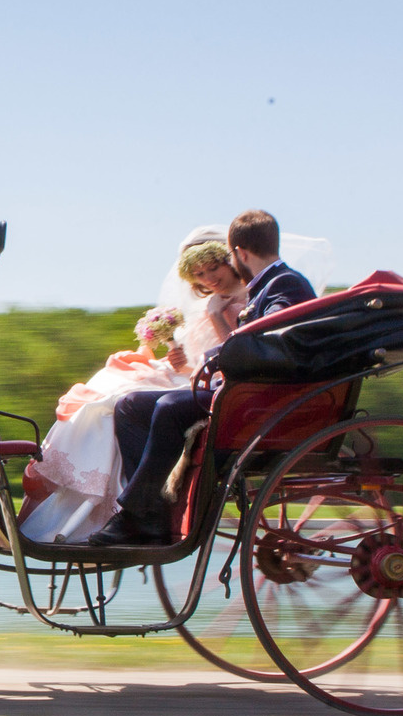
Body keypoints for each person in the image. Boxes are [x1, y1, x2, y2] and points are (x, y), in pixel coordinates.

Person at [86, 208, 315, 548]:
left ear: (239, 254)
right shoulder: (273, 284)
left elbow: (265, 342)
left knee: (169, 405)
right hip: (246, 389)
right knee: (130, 405)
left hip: (260, 397)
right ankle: (153, 515)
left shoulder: (284, 284)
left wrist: (218, 344)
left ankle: (134, 514)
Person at [22, 228, 249, 543]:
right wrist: (179, 361)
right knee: (116, 398)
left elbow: (239, 355)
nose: (209, 278)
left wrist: (216, 318)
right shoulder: (211, 303)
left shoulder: (247, 299)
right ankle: (141, 506)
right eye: (200, 274)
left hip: (223, 386)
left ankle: (135, 510)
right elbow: (198, 363)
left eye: (214, 268)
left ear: (230, 260)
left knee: (118, 398)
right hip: (196, 376)